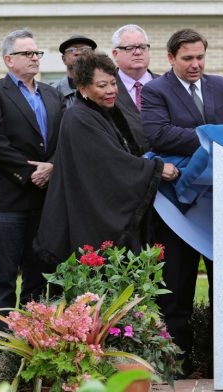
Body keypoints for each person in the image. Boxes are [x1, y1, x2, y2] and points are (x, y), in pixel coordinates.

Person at [140, 28, 223, 374]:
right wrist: (212, 137)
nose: (196, 64)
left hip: (221, 203)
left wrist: (216, 137)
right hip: (176, 207)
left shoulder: (222, 86)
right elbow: (158, 134)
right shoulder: (155, 90)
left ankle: (222, 363)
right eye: (187, 59)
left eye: (200, 57)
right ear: (170, 59)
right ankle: (177, 365)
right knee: (176, 288)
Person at [35, 53, 178, 264]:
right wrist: (156, 168)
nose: (111, 90)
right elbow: (110, 162)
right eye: (102, 86)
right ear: (83, 89)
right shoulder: (77, 117)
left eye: (113, 83)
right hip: (89, 217)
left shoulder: (103, 113)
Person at [0, 29, 65, 332]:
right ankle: (3, 354)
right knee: (4, 279)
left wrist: (51, 167)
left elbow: (64, 139)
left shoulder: (52, 94)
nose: (34, 58)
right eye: (27, 53)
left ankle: (33, 344)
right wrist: (31, 173)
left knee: (38, 279)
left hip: (46, 201)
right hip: (8, 202)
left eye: (37, 53)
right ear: (8, 59)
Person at [112, 24, 158, 153]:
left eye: (142, 47)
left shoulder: (167, 85)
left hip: (170, 165)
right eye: (130, 48)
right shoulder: (105, 89)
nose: (138, 52)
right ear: (115, 54)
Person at [53, 34, 97, 107]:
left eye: (84, 49)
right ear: (64, 59)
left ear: (93, 56)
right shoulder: (53, 92)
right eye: (71, 50)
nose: (78, 53)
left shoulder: (107, 88)